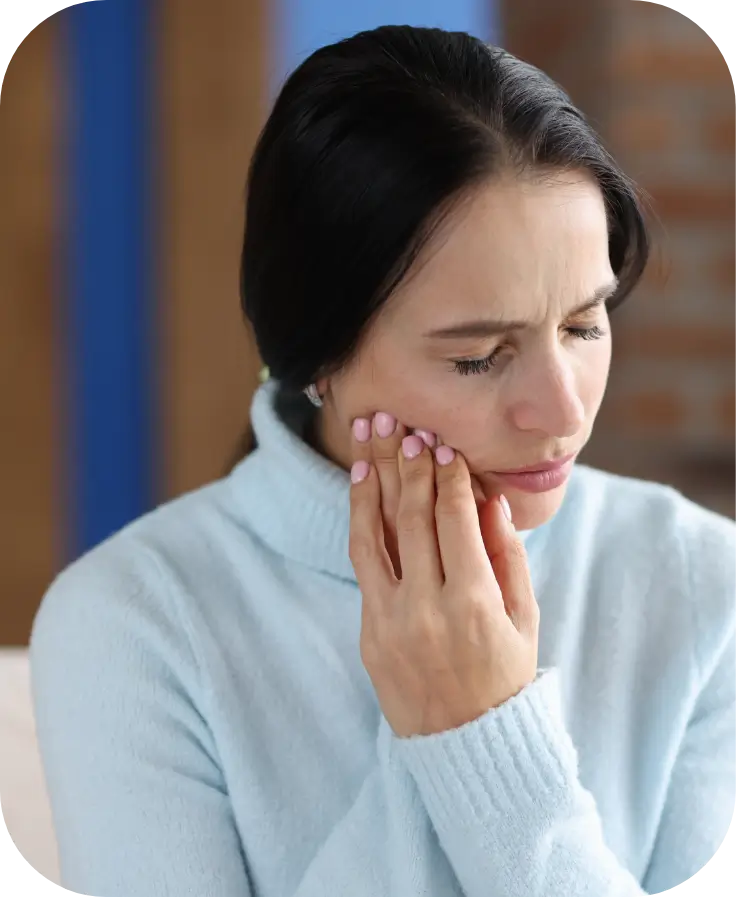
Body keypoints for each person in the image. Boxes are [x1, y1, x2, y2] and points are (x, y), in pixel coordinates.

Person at [30, 25, 735, 896]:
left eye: (585, 324)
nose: (563, 410)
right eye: (479, 355)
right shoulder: (135, 623)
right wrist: (447, 731)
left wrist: (479, 733)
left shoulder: (705, 584)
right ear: (317, 357)